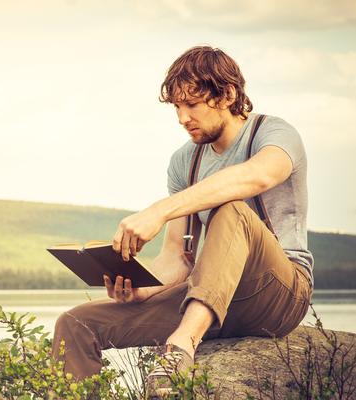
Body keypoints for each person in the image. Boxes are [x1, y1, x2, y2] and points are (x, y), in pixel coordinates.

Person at [52, 45, 314, 394]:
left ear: (228, 95)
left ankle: (181, 347)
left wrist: (160, 209)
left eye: (192, 104)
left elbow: (259, 177)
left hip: (278, 295)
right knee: (77, 324)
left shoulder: (274, 134)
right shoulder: (184, 161)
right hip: (212, 297)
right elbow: (177, 259)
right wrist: (141, 290)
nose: (181, 117)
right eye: (176, 106)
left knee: (231, 209)